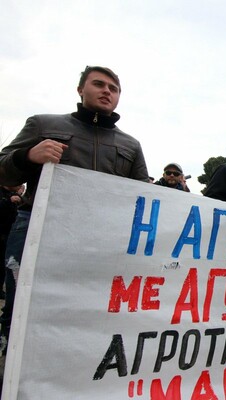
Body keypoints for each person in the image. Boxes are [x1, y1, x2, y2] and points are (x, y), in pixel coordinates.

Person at [0, 65, 149, 348]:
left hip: (99, 240)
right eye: (99, 84)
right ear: (81, 89)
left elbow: (143, 198)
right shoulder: (43, 125)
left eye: (114, 89)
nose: (107, 91)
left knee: (87, 310)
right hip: (37, 230)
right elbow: (4, 171)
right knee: (21, 308)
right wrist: (28, 155)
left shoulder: (130, 145)